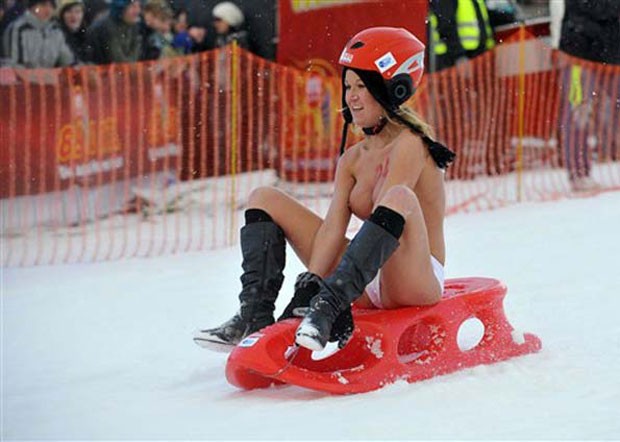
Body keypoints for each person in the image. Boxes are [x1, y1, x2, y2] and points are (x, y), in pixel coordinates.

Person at [193, 27, 456, 352]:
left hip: (413, 279)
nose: (351, 96)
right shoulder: (352, 159)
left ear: (393, 89)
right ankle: (254, 316)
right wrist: (309, 286)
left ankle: (331, 304)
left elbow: (387, 219)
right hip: (364, 277)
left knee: (398, 197)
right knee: (263, 197)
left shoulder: (410, 145)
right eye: (348, 86)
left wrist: (331, 295)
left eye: (362, 86)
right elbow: (333, 228)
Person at [558, 0, 620, 192]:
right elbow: (593, 7)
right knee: (578, 114)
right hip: (580, 53)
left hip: (612, 53)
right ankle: (578, 174)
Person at [2, 0, 75, 68]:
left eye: (51, 6)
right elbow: (12, 63)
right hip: (24, 78)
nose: (48, 10)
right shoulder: (18, 29)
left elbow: (67, 60)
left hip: (49, 78)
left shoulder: (56, 30)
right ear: (32, 7)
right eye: (43, 5)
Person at [428, 0, 496, 72]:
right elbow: (447, 26)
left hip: (474, 53)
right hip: (451, 57)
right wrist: (458, 55)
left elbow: (483, 17)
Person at [84, 0, 141, 65]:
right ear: (122, 8)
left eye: (139, 6)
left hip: (121, 71)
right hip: (103, 70)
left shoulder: (133, 25)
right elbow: (117, 59)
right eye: (133, 6)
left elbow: (135, 51)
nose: (137, 11)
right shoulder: (105, 26)